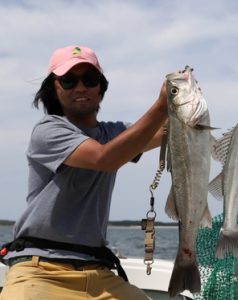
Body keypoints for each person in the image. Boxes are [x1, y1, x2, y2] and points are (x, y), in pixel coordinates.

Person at [0, 45, 168, 300]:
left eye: (89, 79)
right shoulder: (48, 131)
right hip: (39, 270)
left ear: (100, 87)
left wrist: (184, 102)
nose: (80, 88)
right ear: (53, 89)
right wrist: (161, 106)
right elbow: (104, 158)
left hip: (99, 272)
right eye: (68, 80)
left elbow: (166, 132)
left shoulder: (114, 134)